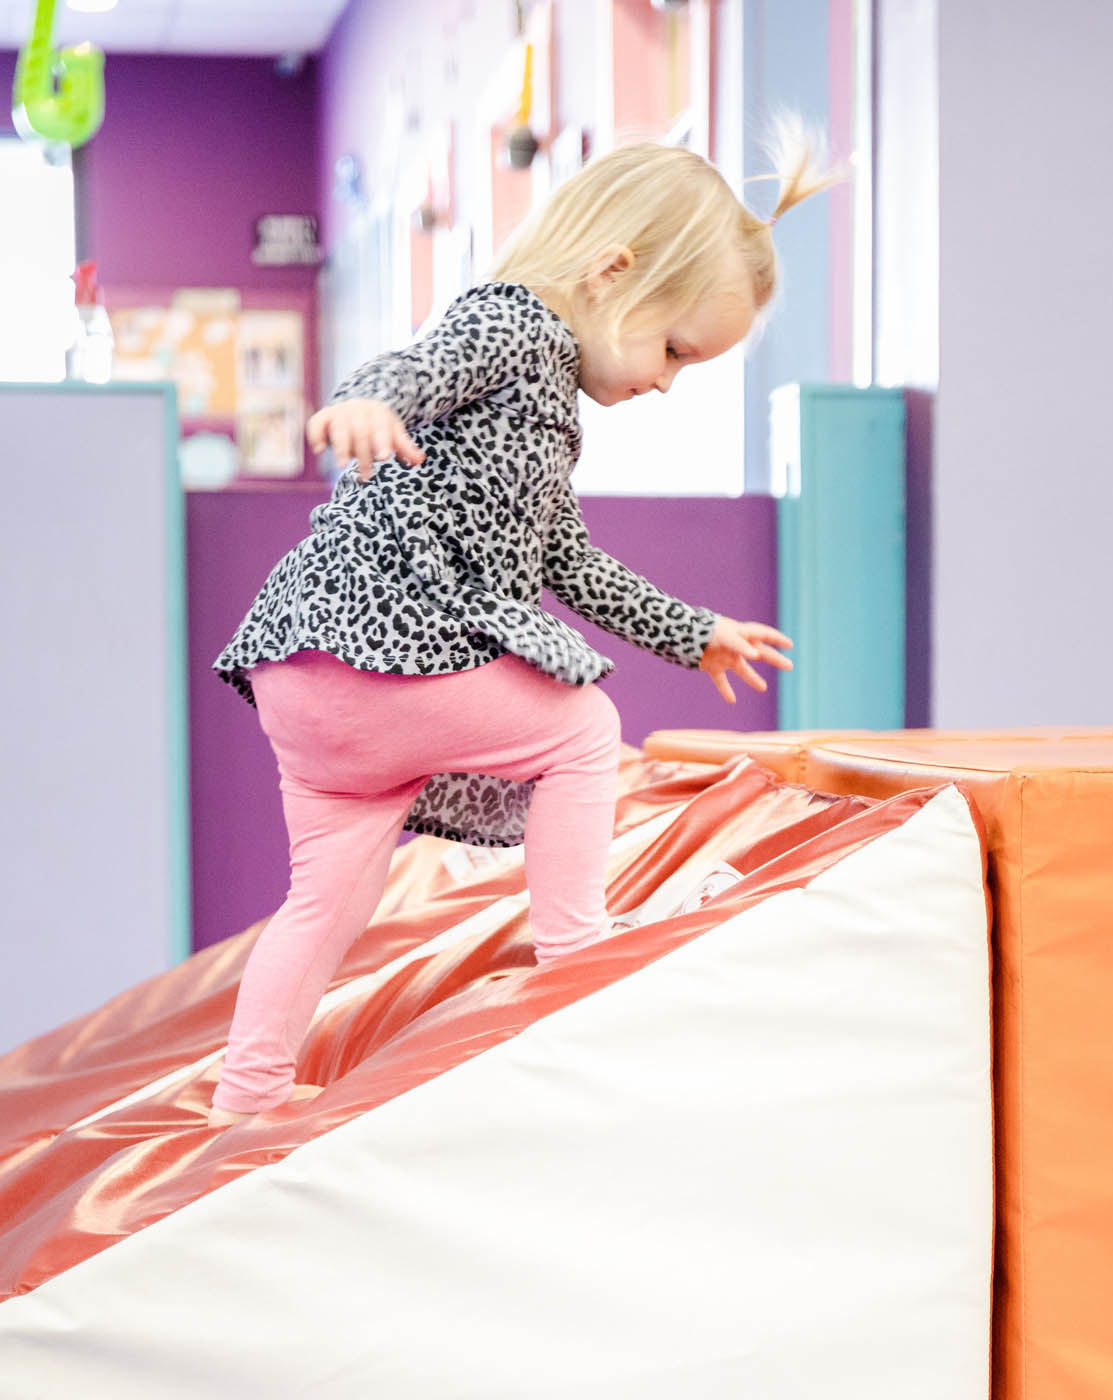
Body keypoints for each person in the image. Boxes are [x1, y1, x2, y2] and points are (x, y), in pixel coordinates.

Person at [208, 126, 834, 1126]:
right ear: (610, 270)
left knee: (326, 898)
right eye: (672, 348)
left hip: (306, 670)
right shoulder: (517, 326)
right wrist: (369, 400)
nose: (669, 379)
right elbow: (418, 361)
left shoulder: (545, 399)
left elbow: (565, 561)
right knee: (580, 729)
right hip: (380, 647)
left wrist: (693, 630)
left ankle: (246, 1097)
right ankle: (576, 948)